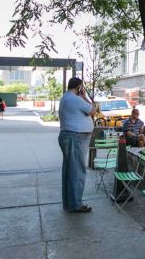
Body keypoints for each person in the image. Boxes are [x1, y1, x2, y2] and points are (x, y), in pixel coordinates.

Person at [58, 77, 96, 213]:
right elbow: (93, 110)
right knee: (77, 172)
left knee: (70, 171)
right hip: (75, 137)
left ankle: (70, 203)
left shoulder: (66, 98)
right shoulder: (76, 99)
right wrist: (85, 97)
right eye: (82, 87)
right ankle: (76, 204)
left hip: (69, 136)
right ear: (79, 87)